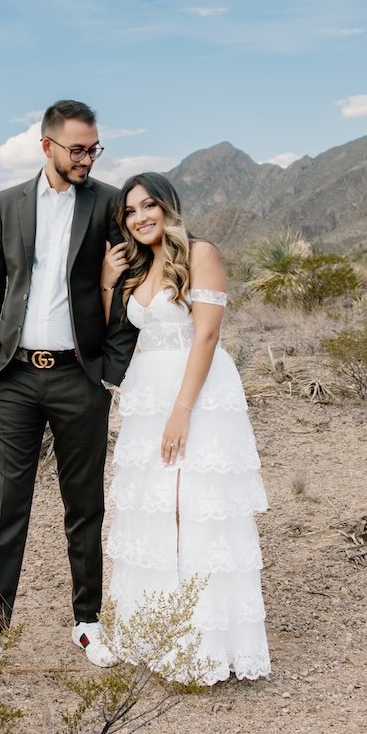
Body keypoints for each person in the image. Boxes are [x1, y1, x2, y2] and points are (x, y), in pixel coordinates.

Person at [0, 100, 139, 673]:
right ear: (47, 147)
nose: (87, 158)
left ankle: (88, 623)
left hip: (78, 377)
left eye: (94, 149)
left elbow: (130, 284)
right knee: (7, 505)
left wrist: (111, 369)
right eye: (77, 149)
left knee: (83, 505)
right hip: (11, 377)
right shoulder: (6, 203)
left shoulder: (109, 202)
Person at [100, 172, 270, 685]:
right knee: (154, 509)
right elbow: (111, 331)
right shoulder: (138, 266)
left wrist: (182, 410)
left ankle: (203, 641)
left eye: (149, 205)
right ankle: (155, 630)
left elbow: (208, 334)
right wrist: (108, 282)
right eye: (130, 211)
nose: (140, 217)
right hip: (148, 398)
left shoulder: (200, 253)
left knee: (195, 507)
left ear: (169, 207)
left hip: (195, 395)